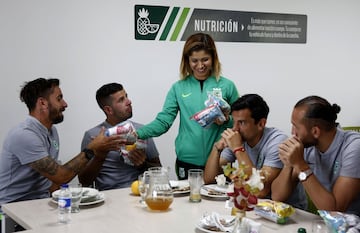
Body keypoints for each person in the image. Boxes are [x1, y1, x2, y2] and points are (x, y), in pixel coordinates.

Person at [0, 78, 122, 206]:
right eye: (59, 99)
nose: (65, 104)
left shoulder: (52, 131)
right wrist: (92, 149)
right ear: (42, 103)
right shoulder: (24, 135)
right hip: (11, 211)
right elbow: (60, 176)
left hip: (40, 204)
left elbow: (54, 182)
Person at [136, 33, 239, 180]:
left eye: (205, 59)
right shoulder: (178, 88)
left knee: (218, 202)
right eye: (194, 61)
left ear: (214, 58)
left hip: (220, 159)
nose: (200, 65)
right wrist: (138, 134)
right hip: (187, 160)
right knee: (188, 202)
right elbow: (163, 122)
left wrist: (226, 119)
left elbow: (240, 122)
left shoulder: (227, 86)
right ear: (187, 61)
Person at [203, 94, 306, 209]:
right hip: (256, 207)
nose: (235, 129)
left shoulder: (277, 141)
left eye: (241, 123)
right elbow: (209, 180)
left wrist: (238, 149)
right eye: (234, 122)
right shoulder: (239, 137)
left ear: (261, 124)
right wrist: (216, 148)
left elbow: (261, 190)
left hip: (288, 212)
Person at [271, 95, 360, 216]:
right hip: (321, 222)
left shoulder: (354, 147)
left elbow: (335, 211)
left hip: (351, 224)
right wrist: (288, 164)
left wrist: (301, 165)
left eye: (296, 127)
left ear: (315, 132)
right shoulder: (307, 146)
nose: (292, 133)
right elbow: (277, 196)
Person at [78, 83, 161, 190]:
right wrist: (100, 155)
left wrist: (143, 164)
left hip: (138, 192)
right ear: (108, 110)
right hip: (107, 197)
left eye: (126, 96)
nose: (129, 101)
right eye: (121, 100)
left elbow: (159, 170)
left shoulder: (141, 131)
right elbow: (84, 181)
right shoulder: (93, 135)